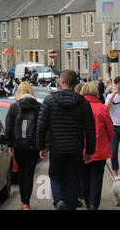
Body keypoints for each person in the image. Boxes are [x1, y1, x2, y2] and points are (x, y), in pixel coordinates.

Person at [36, 70, 96, 210]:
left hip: (57, 148)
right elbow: (90, 130)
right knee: (73, 179)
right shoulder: (83, 103)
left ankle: (59, 201)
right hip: (75, 148)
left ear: (62, 81)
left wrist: (41, 147)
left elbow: (41, 127)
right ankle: (70, 205)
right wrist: (89, 151)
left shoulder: (50, 100)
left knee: (55, 176)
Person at [5, 82, 41, 210]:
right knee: (29, 172)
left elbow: (8, 128)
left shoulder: (14, 107)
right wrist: (42, 146)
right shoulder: (38, 107)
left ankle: (23, 201)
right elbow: (42, 128)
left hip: (18, 145)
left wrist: (10, 144)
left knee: (21, 170)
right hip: (33, 146)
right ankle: (26, 201)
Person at [80, 83, 114, 210]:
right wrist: (107, 141)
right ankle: (94, 204)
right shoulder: (102, 108)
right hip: (100, 148)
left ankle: (88, 203)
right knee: (97, 177)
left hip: (81, 149)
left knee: (84, 177)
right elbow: (110, 130)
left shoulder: (78, 108)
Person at [105, 76, 120, 178]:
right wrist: (114, 93)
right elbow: (105, 108)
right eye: (118, 84)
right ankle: (116, 175)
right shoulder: (110, 96)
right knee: (113, 151)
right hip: (114, 127)